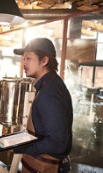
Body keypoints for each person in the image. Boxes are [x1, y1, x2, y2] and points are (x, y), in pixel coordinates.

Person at [13, 38, 73, 173]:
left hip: (47, 167)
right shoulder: (46, 85)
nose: (24, 63)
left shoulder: (51, 93)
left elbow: (58, 144)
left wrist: (22, 148)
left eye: (28, 58)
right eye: (23, 58)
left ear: (44, 61)